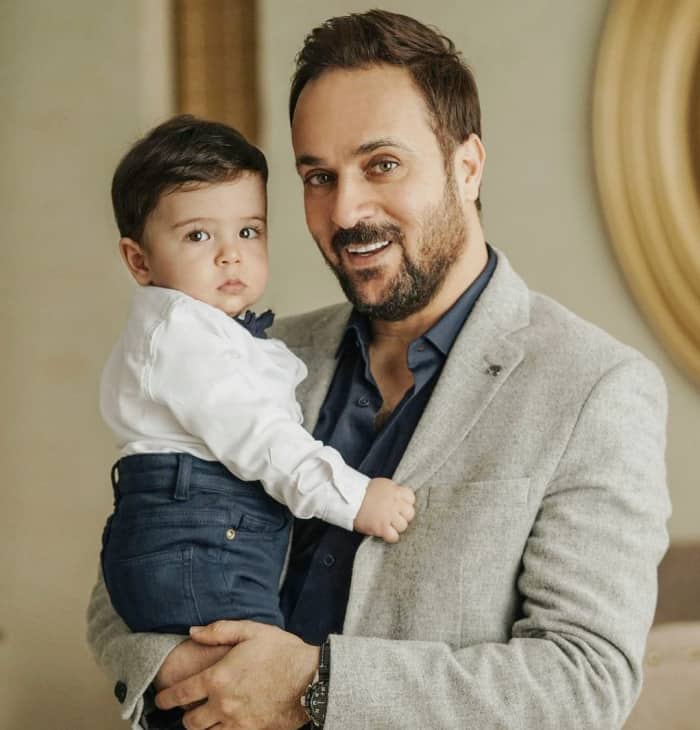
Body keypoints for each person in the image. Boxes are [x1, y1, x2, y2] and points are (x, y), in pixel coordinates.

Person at [87, 10, 670, 729]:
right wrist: (185, 672)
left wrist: (313, 686)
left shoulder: (595, 387)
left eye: (382, 164)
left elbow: (584, 682)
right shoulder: (254, 354)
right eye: (318, 176)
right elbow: (123, 579)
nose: (346, 210)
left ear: (467, 166)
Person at [99, 115, 416, 636]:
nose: (231, 254)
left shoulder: (204, 333)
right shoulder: (183, 336)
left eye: (248, 231)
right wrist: (356, 499)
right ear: (140, 261)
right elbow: (263, 440)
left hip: (199, 540)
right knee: (247, 670)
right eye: (198, 235)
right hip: (200, 546)